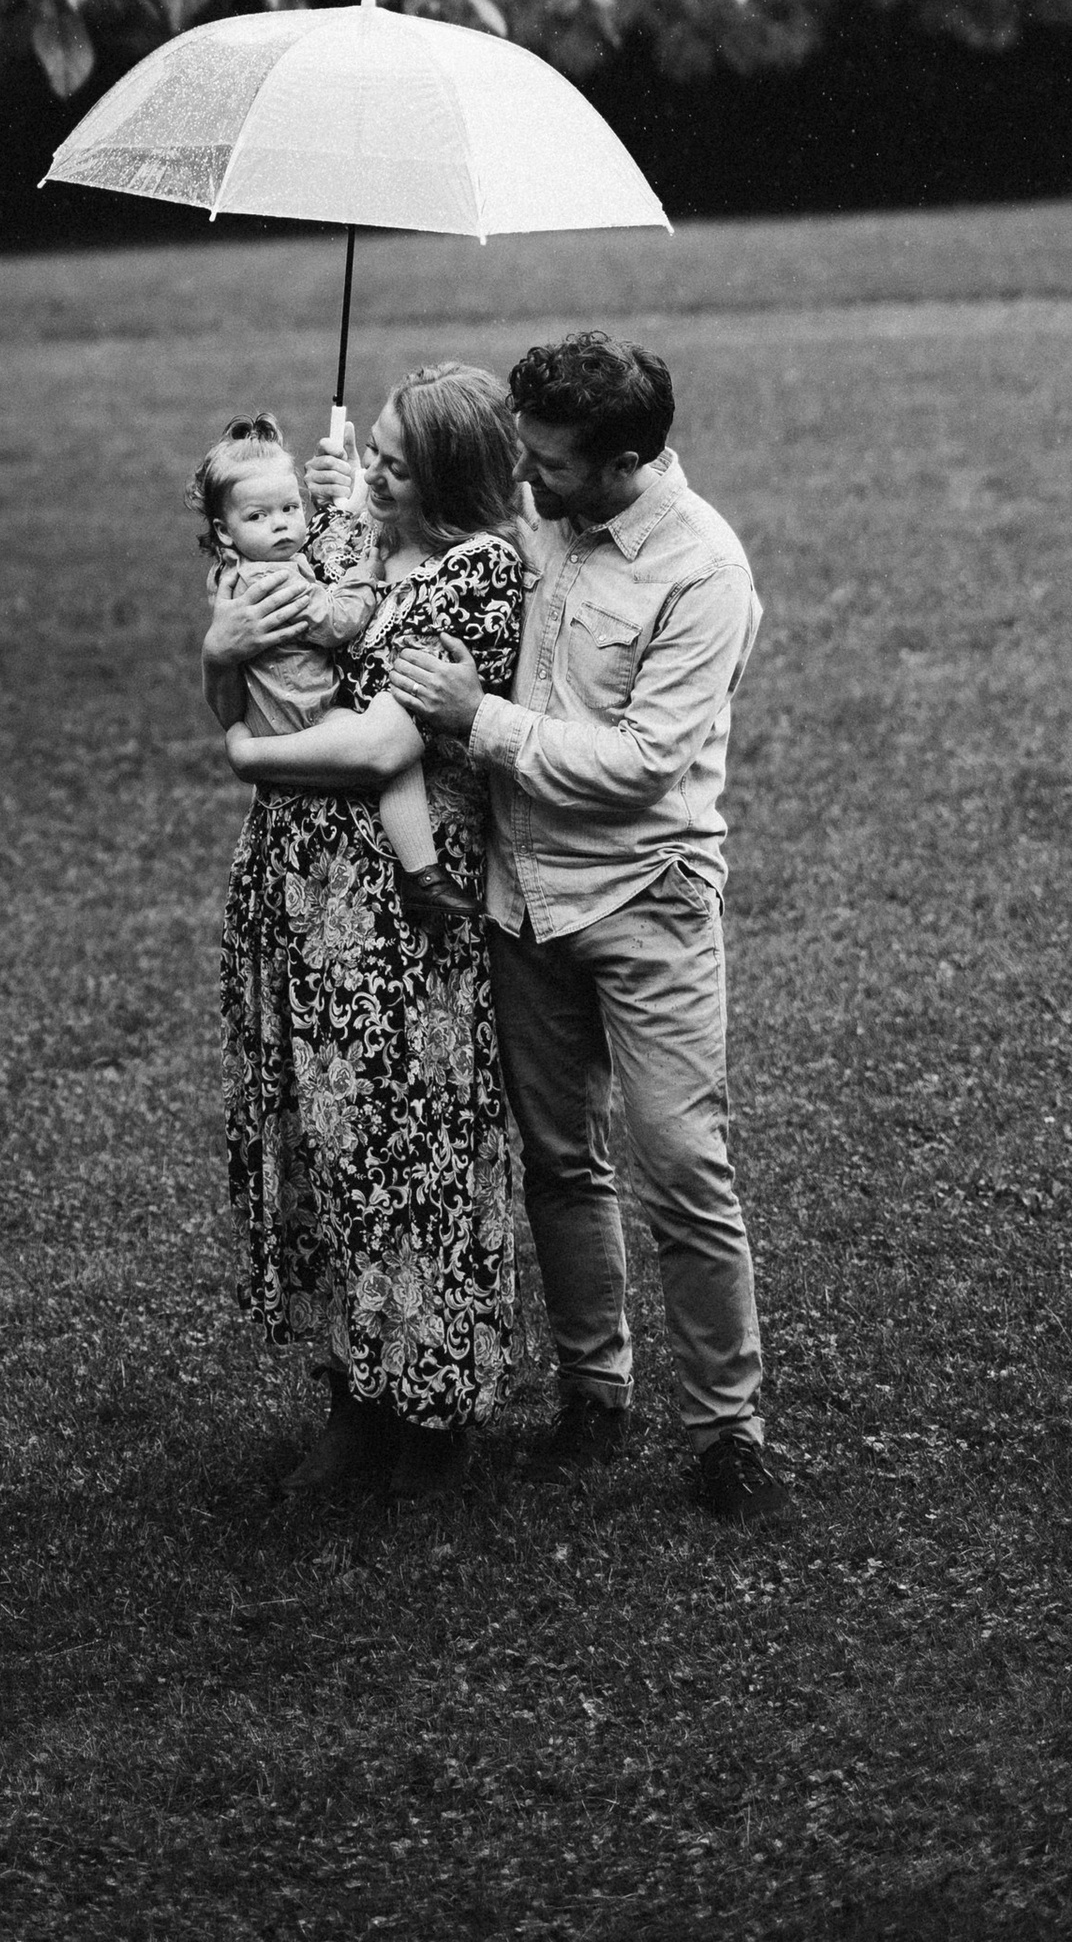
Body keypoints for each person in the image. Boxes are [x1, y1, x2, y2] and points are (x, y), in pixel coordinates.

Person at [386, 331, 784, 1520]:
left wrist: (478, 718)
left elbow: (645, 765)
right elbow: (422, 548)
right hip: (521, 899)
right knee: (562, 1164)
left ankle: (729, 1431)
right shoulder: (535, 523)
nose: (528, 482)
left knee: (680, 1169)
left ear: (622, 460)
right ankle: (592, 1393)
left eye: (550, 466)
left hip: (644, 901)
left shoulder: (701, 571)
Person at [204, 362, 529, 1501]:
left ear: (440, 474)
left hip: (397, 909)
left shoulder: (480, 573)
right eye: (372, 452)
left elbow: (383, 747)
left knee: (409, 1145)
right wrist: (215, 661)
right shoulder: (343, 543)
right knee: (326, 1143)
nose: (363, 471)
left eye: (391, 459)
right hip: (297, 890)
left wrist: (250, 759)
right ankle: (351, 1394)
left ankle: (428, 1406)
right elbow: (245, 671)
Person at [190, 413, 478, 937]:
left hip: (270, 717)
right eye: (260, 516)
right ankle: (422, 871)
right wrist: (363, 580)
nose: (281, 524)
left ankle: (423, 872)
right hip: (305, 716)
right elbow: (335, 623)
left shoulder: (230, 578)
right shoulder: (275, 581)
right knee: (393, 757)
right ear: (224, 530)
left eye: (290, 508)